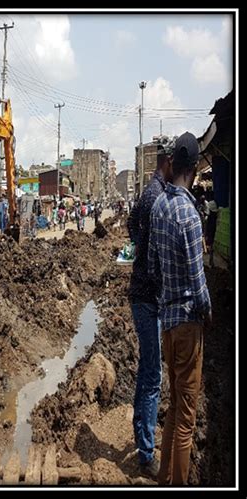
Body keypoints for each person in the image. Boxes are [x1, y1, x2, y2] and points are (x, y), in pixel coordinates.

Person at [148, 132, 212, 485]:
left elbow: (156, 269)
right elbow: (197, 275)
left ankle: (164, 477)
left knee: (173, 407)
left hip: (167, 322)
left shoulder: (159, 207)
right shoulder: (188, 213)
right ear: (194, 167)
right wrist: (208, 309)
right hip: (188, 322)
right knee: (187, 418)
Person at [126, 135, 176, 479]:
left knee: (149, 371)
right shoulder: (158, 198)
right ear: (168, 163)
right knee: (152, 376)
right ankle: (146, 452)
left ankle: (142, 437)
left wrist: (140, 251)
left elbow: (131, 227)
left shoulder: (149, 194)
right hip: (148, 298)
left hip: (144, 295)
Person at [205, 193, 218, 267]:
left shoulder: (210, 204)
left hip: (211, 230)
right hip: (213, 230)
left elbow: (208, 228)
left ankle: (211, 258)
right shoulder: (214, 203)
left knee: (210, 241)